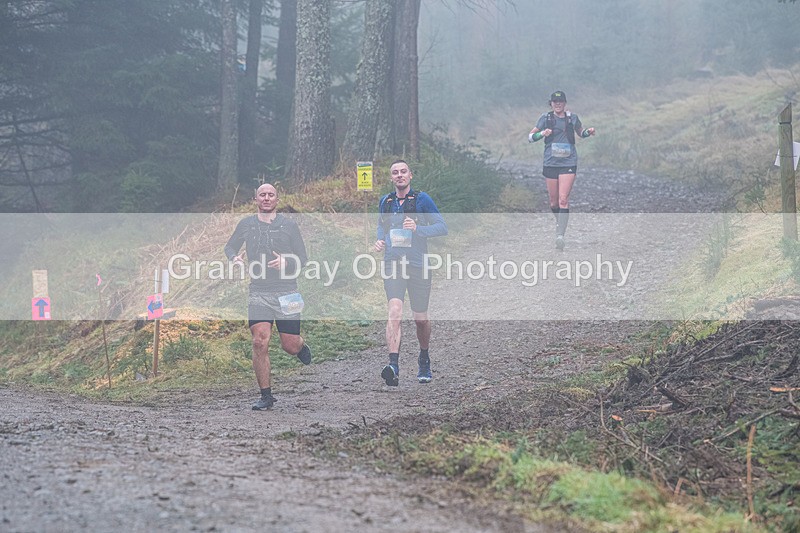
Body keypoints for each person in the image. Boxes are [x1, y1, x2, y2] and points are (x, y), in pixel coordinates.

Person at [224, 183, 311, 410]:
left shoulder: (289, 226)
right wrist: (234, 259)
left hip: (287, 290)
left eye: (270, 195)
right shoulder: (246, 225)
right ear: (255, 199)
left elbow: (303, 259)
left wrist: (286, 262)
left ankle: (300, 347)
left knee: (289, 345)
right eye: (262, 195)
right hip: (259, 291)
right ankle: (266, 395)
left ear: (277, 200)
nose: (266, 198)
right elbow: (230, 248)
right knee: (259, 341)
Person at [374, 160, 448, 386]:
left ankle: (424, 358)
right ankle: (393, 366)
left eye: (403, 172)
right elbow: (381, 226)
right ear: (391, 178)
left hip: (418, 265)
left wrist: (418, 229)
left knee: (420, 319)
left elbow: (442, 227)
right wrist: (380, 241)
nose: (399, 176)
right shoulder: (386, 202)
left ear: (410, 175)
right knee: (394, 310)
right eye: (395, 173)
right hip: (393, 264)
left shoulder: (422, 200)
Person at [528, 90, 595, 250]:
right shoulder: (545, 118)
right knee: (553, 202)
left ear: (565, 103)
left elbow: (581, 133)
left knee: (563, 199)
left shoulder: (573, 118)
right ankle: (560, 221)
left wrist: (589, 132)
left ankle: (560, 235)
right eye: (555, 102)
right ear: (551, 103)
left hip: (568, 162)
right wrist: (542, 134)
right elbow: (530, 137)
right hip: (551, 163)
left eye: (561, 101)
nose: (558, 104)